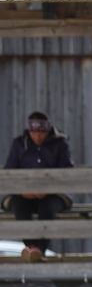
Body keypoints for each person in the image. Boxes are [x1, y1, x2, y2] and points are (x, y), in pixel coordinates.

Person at [2, 112, 73, 262]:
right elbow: (10, 171)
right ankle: (34, 249)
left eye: (41, 133)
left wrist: (48, 190)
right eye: (34, 133)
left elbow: (66, 173)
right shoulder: (19, 144)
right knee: (19, 207)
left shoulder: (60, 145)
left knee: (48, 209)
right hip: (23, 194)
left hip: (53, 194)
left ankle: (37, 250)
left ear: (47, 131)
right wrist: (23, 190)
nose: (37, 137)